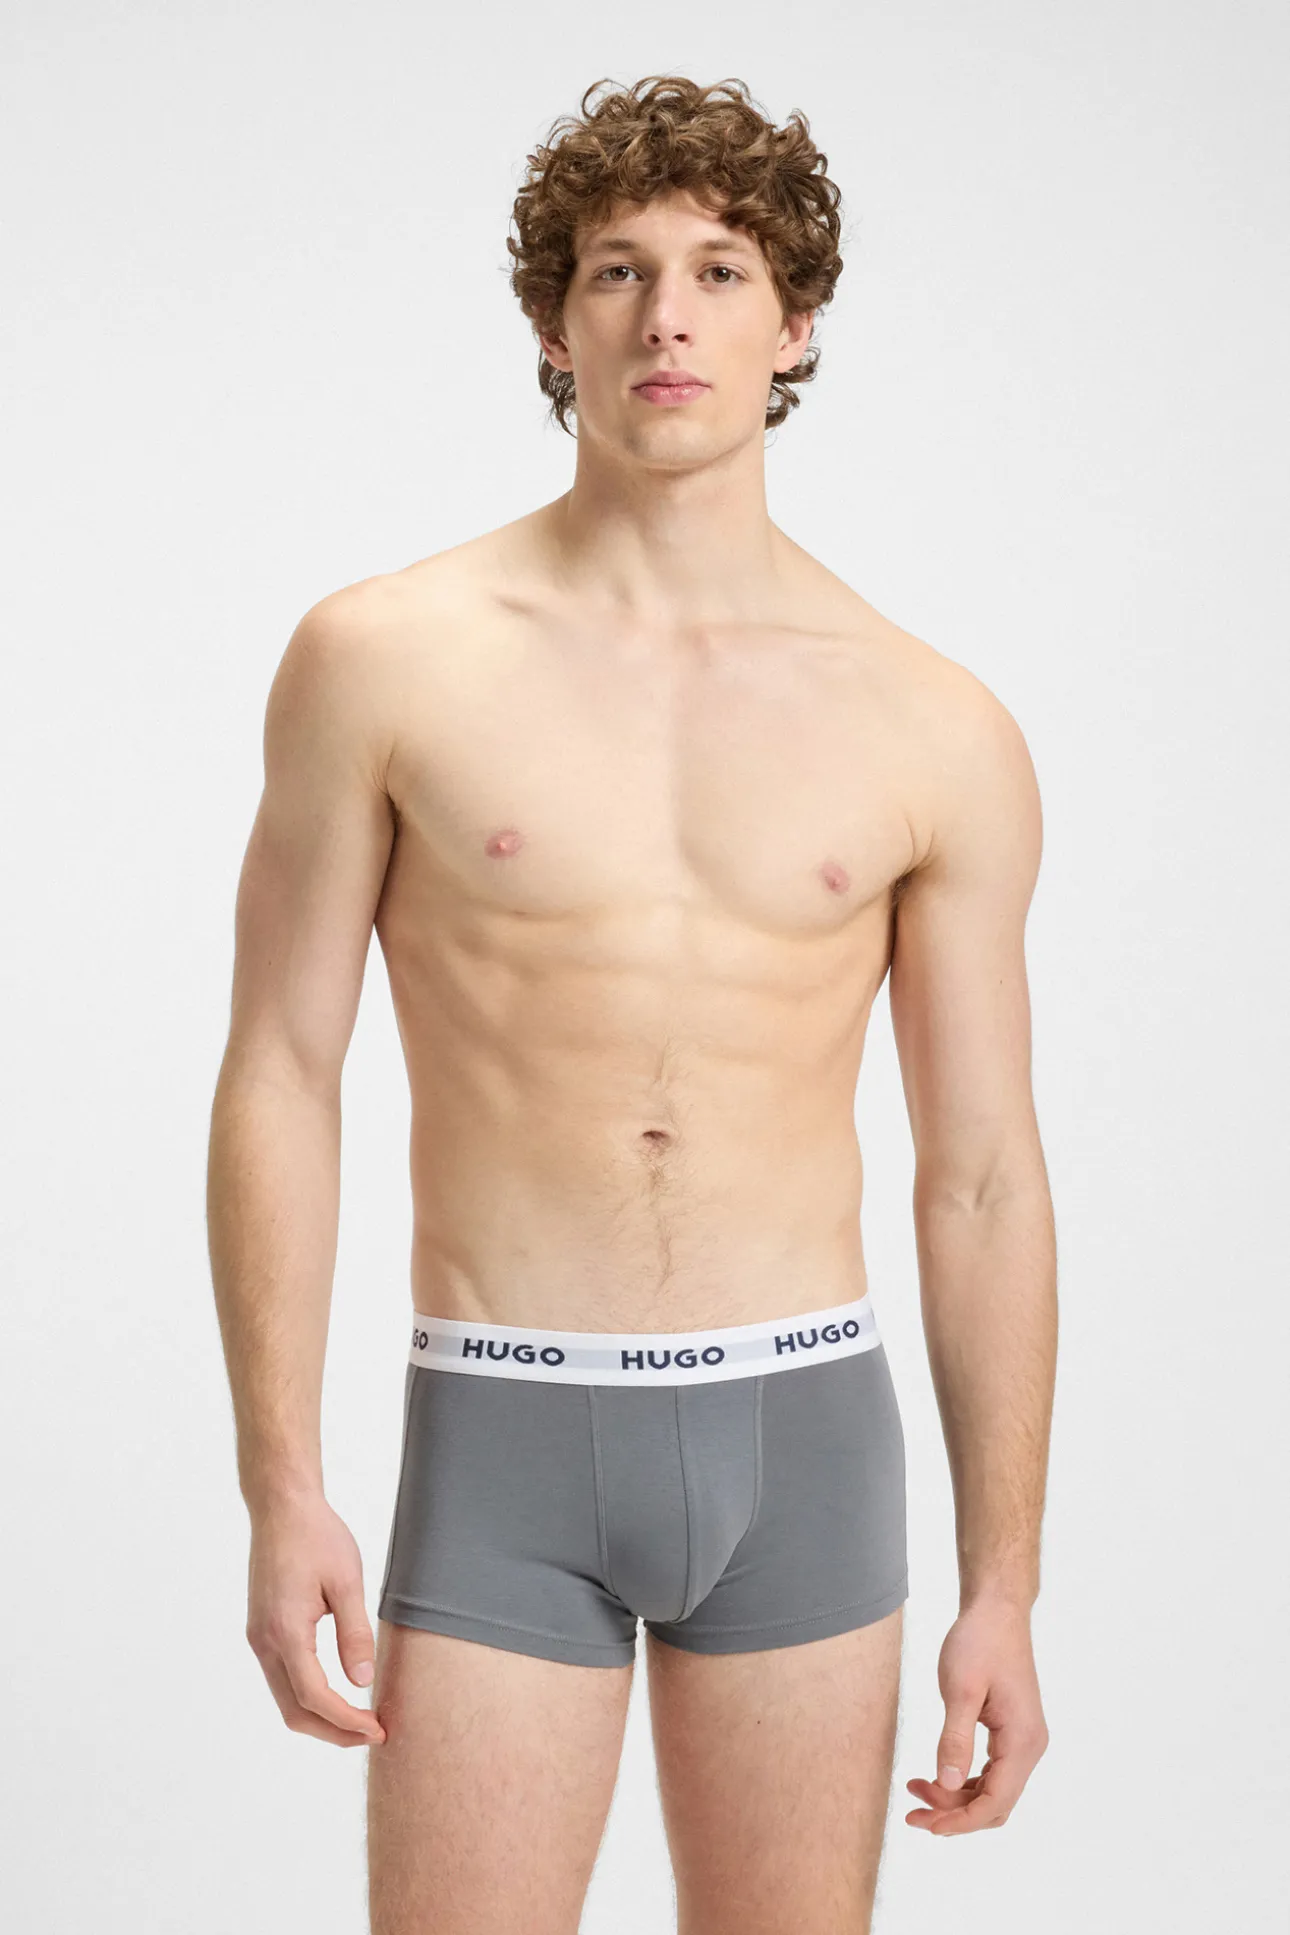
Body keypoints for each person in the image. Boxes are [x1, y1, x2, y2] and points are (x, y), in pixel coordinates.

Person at [207, 72, 1056, 1935]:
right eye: (616, 270)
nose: (668, 316)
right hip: (503, 1427)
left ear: (793, 323)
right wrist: (283, 1486)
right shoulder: (386, 659)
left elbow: (982, 1172)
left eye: (720, 270)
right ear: (552, 322)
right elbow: (281, 1068)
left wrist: (1004, 1580)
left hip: (802, 1436)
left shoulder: (933, 724)